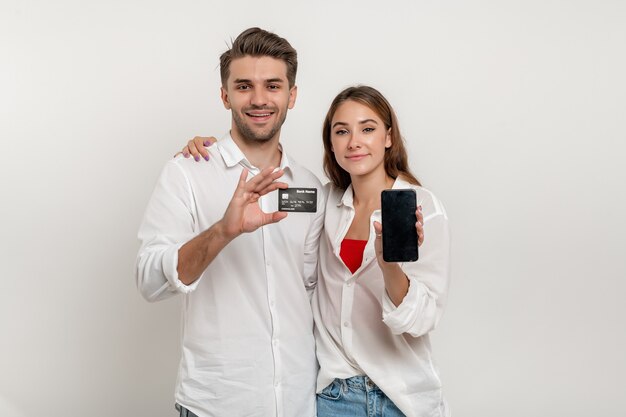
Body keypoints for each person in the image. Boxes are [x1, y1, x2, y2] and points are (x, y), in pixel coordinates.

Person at [181, 86, 451, 417]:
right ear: (331, 143)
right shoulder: (323, 202)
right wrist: (214, 154)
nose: (354, 141)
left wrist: (389, 265)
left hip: (403, 400)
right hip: (334, 399)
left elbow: (421, 320)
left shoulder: (422, 208)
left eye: (368, 129)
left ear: (388, 137)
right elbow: (265, 198)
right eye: (342, 131)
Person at [136, 27, 326, 417]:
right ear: (224, 96)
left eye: (273, 86)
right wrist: (223, 231)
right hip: (216, 403)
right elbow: (149, 281)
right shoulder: (187, 172)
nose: (259, 100)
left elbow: (311, 292)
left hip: (297, 402)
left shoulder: (312, 187)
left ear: (292, 95)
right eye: (243, 86)